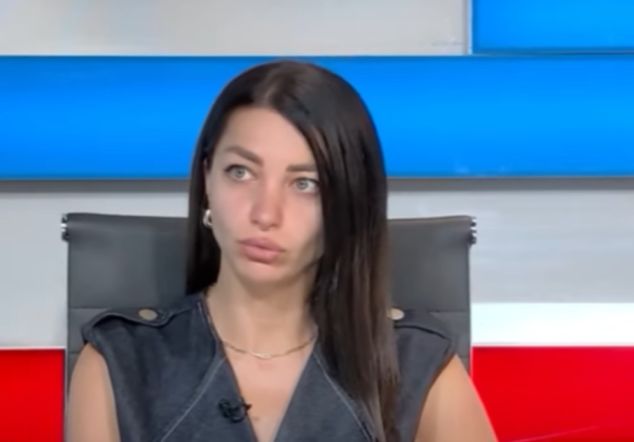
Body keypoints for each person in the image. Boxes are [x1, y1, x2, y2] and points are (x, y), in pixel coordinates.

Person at [67, 60, 497, 442]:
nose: (265, 213)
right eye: (240, 172)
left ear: (349, 205)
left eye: (306, 184)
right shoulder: (119, 360)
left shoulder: (417, 363)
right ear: (207, 180)